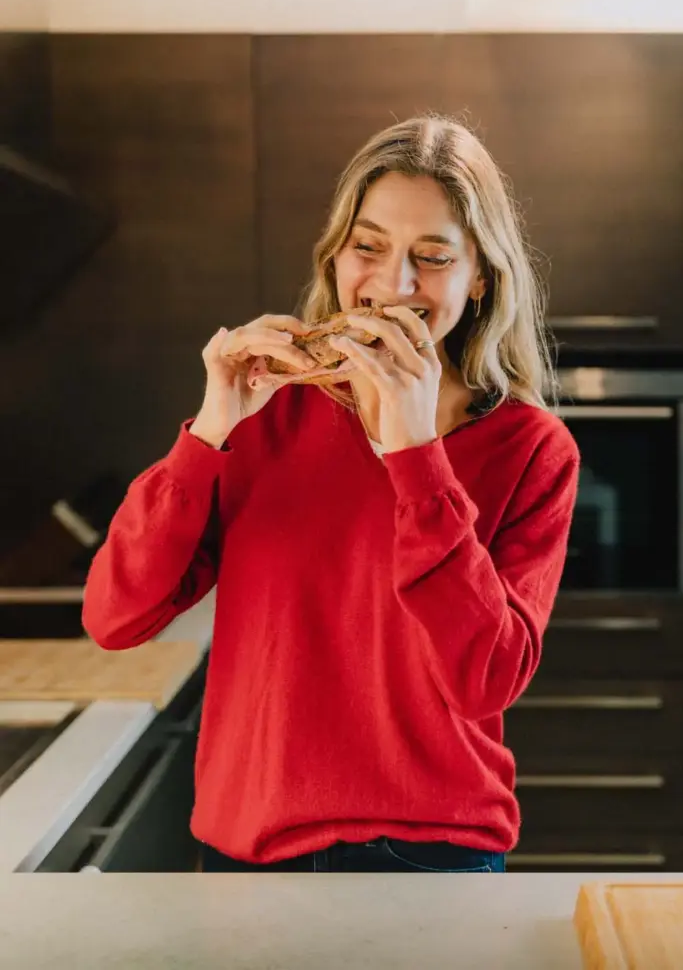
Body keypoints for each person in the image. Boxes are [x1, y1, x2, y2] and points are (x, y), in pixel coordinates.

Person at [83, 114, 579, 874]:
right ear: (335, 255)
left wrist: (413, 454)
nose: (393, 285)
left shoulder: (532, 450)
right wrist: (210, 429)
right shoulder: (265, 412)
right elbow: (115, 618)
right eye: (368, 247)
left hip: (433, 856)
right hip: (250, 856)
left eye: (433, 256)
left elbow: (485, 679)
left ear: (480, 275)